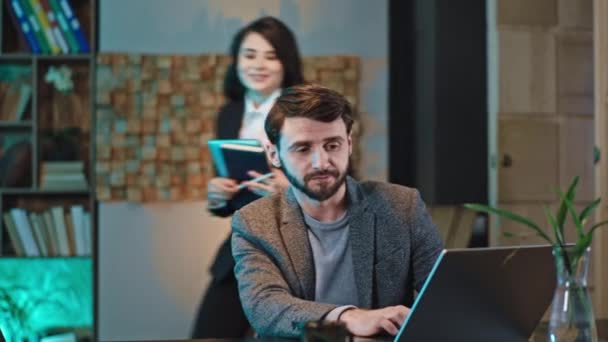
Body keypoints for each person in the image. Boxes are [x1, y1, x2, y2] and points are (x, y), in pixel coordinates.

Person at [231, 84, 444, 337]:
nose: (321, 162)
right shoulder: (254, 222)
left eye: (332, 145)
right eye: (303, 148)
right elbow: (264, 305)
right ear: (274, 154)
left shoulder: (401, 206)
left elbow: (443, 295)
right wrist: (347, 317)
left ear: (349, 144)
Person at [191, 17, 304, 338]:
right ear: (237, 60)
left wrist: (289, 186)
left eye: (271, 56)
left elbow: (342, 184)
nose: (258, 64)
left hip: (299, 252)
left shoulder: (307, 111)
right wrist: (217, 196)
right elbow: (226, 207)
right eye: (249, 54)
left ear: (286, 63)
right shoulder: (229, 114)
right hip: (243, 248)